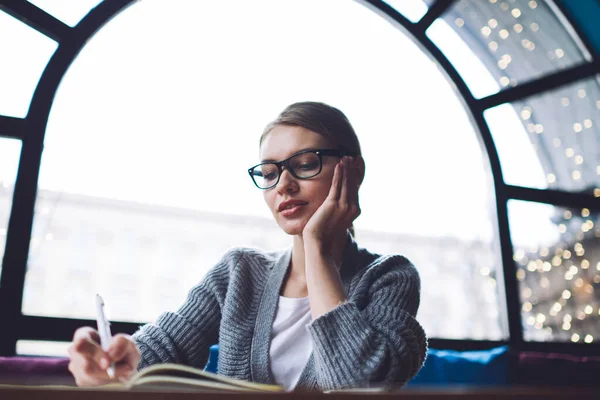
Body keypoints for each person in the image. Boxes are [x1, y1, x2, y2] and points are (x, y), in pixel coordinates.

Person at [68, 101, 427, 391]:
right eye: (269, 174)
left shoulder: (390, 277)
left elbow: (355, 383)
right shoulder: (240, 272)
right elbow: (165, 349)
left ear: (354, 172)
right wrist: (116, 359)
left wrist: (315, 245)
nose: (283, 185)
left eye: (304, 165)